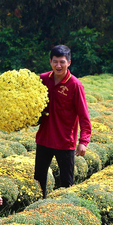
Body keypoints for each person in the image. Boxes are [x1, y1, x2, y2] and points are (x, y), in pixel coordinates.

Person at [34, 44, 92, 198]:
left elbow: (84, 116)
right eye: (55, 61)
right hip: (44, 139)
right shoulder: (42, 79)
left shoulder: (75, 85)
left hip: (65, 142)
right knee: (38, 180)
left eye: (62, 62)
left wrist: (83, 141)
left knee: (66, 183)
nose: (58, 65)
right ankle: (38, 210)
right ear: (50, 62)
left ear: (69, 63)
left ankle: (63, 211)